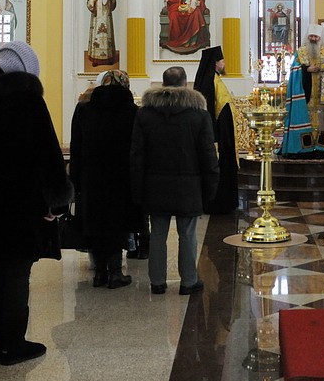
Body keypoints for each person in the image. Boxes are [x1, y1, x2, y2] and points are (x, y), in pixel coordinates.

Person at [0, 41, 71, 365]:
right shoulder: (29, 102)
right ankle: (13, 344)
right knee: (17, 271)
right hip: (23, 203)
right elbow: (48, 156)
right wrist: (55, 202)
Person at [131, 67, 217, 296]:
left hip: (154, 184)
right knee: (187, 234)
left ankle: (157, 281)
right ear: (185, 84)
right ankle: (188, 281)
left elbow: (137, 155)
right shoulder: (199, 115)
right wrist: (211, 187)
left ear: (163, 84)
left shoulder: (145, 114)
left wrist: (137, 187)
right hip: (189, 185)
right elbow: (208, 154)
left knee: (158, 233)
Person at [70, 70, 140, 289]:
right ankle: (115, 272)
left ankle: (100, 273)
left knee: (96, 223)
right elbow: (138, 149)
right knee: (117, 224)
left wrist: (75, 180)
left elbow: (76, 147)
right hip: (121, 177)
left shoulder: (84, 110)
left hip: (91, 177)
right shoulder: (132, 112)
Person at [279, 26, 324, 158]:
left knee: (322, 119)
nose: (313, 39)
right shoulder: (300, 52)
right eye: (311, 36)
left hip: (322, 96)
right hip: (305, 96)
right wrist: (306, 69)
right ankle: (303, 149)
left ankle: (323, 148)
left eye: (316, 37)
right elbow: (293, 70)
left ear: (320, 38)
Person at [194, 46, 238, 214]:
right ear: (215, 63)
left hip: (221, 133)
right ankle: (219, 203)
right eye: (222, 60)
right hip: (219, 135)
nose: (224, 63)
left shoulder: (214, 80)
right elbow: (213, 112)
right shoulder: (211, 82)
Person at [86, 0, 117, 67]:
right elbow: (89, 3)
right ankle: (96, 59)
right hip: (97, 18)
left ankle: (109, 58)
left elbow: (114, 2)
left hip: (106, 17)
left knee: (107, 36)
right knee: (97, 36)